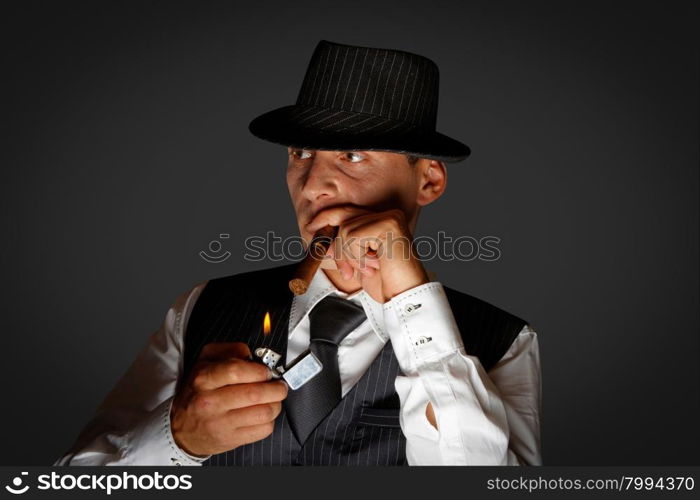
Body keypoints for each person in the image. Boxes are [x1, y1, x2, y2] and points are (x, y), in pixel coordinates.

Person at [54, 39, 542, 466]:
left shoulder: (502, 340)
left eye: (352, 155)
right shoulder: (201, 309)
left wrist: (414, 306)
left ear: (429, 179)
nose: (313, 185)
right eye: (300, 154)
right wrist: (178, 441)